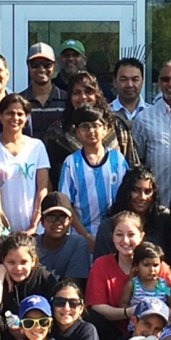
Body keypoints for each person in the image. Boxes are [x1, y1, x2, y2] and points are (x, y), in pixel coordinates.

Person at [85, 211, 171, 340]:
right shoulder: (101, 264)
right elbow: (97, 306)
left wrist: (161, 323)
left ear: (142, 236)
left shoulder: (159, 266)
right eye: (119, 234)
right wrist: (130, 312)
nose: (125, 240)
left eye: (131, 235)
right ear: (112, 237)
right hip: (112, 333)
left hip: (156, 331)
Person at [45, 71, 137, 189]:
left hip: (116, 201)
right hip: (72, 203)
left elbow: (133, 168)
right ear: (70, 97)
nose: (83, 97)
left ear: (97, 95)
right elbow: (48, 176)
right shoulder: (57, 132)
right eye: (77, 93)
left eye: (88, 92)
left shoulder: (116, 126)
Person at [59, 105, 130, 245]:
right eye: (85, 127)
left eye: (95, 126)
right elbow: (66, 205)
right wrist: (86, 237)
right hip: (81, 239)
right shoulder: (71, 163)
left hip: (115, 237)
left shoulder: (118, 159)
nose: (91, 131)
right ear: (78, 132)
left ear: (105, 129)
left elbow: (127, 198)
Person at [0, 94, 49, 235]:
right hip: (0, 231)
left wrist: (34, 224)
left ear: (26, 118)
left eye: (20, 114)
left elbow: (42, 189)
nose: (15, 118)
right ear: (0, 116)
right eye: (10, 113)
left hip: (33, 230)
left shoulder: (37, 146)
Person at [132, 60, 171, 208]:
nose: (170, 84)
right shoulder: (144, 118)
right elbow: (137, 161)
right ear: (158, 82)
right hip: (155, 201)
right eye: (165, 79)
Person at [93, 167, 168, 260]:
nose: (142, 197)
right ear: (126, 191)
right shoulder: (109, 226)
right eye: (136, 190)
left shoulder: (164, 219)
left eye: (147, 191)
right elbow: (100, 267)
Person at [36, 192, 91, 280]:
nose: (57, 222)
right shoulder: (30, 246)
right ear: (42, 221)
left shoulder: (78, 244)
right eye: (51, 217)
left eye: (63, 217)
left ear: (70, 221)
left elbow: (73, 285)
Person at [20, 43, 67, 141]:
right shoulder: (19, 101)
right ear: (28, 67)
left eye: (47, 64)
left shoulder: (67, 99)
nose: (41, 69)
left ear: (54, 66)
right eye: (35, 64)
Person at [111, 57, 147, 124]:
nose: (129, 85)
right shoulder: (104, 114)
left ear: (142, 82)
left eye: (135, 79)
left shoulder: (153, 113)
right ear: (114, 82)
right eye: (123, 79)